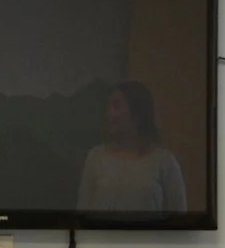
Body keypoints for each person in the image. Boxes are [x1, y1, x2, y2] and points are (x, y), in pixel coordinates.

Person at [75, 81, 186, 215]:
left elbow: (179, 219)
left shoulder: (165, 162)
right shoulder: (96, 157)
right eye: (108, 107)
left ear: (137, 112)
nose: (109, 113)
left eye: (116, 106)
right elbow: (82, 214)